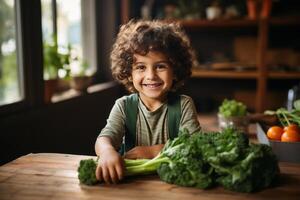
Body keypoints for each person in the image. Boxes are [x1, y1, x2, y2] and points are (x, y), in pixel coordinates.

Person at [95, 20, 201, 184]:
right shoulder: (123, 106)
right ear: (129, 73)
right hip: (132, 183)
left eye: (160, 66)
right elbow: (105, 138)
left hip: (173, 183)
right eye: (141, 67)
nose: (151, 75)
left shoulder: (183, 105)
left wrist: (152, 151)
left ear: (175, 71)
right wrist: (107, 151)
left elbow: (195, 145)